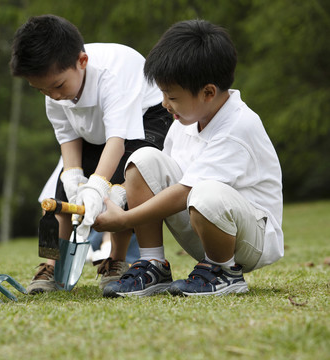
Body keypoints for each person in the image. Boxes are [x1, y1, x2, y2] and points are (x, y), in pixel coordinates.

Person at [94, 19, 284, 297]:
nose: (164, 104)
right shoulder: (185, 122)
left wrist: (123, 221)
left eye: (171, 96)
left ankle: (224, 272)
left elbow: (183, 193)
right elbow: (157, 181)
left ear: (208, 92)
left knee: (204, 192)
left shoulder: (238, 126)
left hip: (249, 240)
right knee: (144, 159)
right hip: (205, 227)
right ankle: (153, 263)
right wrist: (114, 199)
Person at [10, 14, 172, 294]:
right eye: (41, 90)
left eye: (58, 86)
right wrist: (73, 178)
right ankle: (51, 265)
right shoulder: (54, 92)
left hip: (146, 119)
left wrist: (97, 187)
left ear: (82, 62)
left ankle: (116, 261)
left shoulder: (113, 77)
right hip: (96, 131)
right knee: (60, 193)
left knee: (121, 184)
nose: (53, 95)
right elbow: (68, 137)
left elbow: (117, 141)